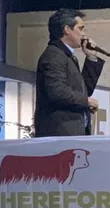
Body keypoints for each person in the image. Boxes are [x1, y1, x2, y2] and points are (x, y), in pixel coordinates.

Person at [33, 8, 105, 137]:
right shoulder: (54, 56)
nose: (83, 34)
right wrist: (86, 101)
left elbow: (83, 91)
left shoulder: (66, 56)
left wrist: (91, 58)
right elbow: (57, 92)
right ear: (67, 29)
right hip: (60, 134)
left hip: (70, 134)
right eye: (80, 28)